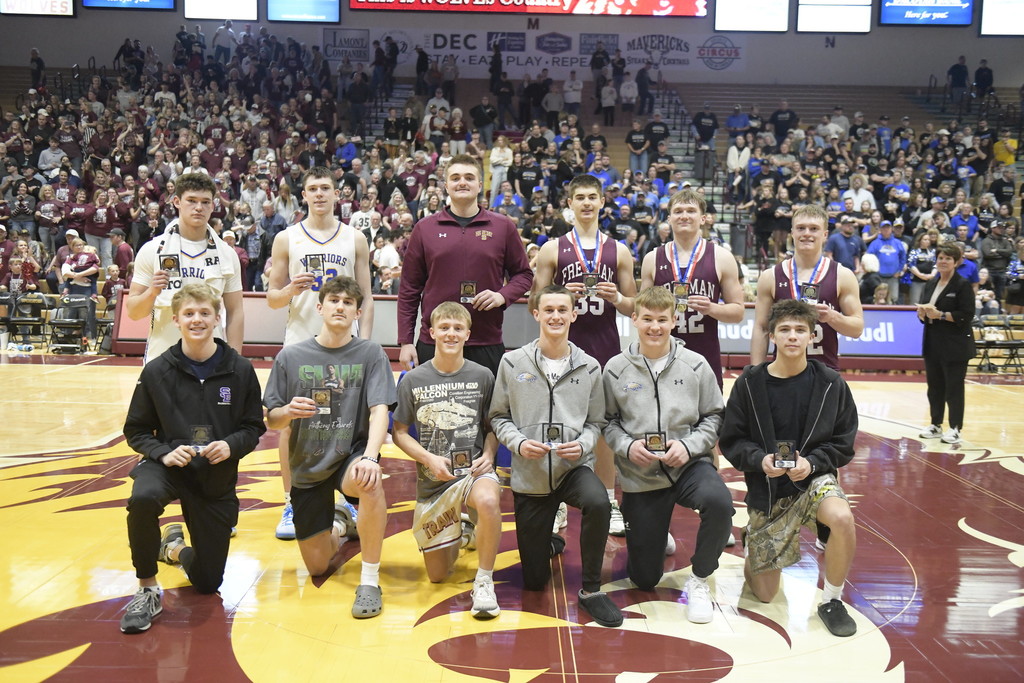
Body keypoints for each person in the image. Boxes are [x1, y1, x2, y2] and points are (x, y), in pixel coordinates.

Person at [120, 283, 266, 634]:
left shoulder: (240, 369)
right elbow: (136, 430)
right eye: (189, 313)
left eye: (204, 313)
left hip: (213, 477)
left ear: (218, 318)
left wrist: (231, 445)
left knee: (206, 582)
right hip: (168, 465)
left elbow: (252, 426)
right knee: (142, 498)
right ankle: (147, 588)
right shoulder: (157, 371)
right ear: (176, 320)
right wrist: (163, 452)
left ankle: (173, 548)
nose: (196, 320)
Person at [720, 299, 859, 638]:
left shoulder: (831, 383)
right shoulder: (750, 383)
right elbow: (732, 439)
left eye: (800, 330)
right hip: (770, 490)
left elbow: (844, 442)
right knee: (766, 595)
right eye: (784, 330)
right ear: (772, 335)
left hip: (814, 480)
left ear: (813, 337)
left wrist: (812, 463)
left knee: (841, 517)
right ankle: (754, 539)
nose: (793, 337)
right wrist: (759, 461)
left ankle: (833, 600)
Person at [489, 284, 623, 628]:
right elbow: (498, 417)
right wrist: (517, 443)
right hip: (530, 473)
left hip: (573, 467)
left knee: (598, 502)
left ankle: (592, 590)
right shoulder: (512, 361)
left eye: (563, 310)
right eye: (548, 310)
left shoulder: (590, 366)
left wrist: (584, 444)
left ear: (573, 315)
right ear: (536, 314)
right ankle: (549, 543)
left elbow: (596, 422)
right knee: (534, 579)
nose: (556, 316)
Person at [263, 276, 397, 618]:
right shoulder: (290, 357)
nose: (340, 307)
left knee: (369, 479)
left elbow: (380, 408)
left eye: (348, 303)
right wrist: (287, 412)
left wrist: (370, 455)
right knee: (319, 566)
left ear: (357, 312)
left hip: (349, 455)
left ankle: (369, 580)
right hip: (308, 463)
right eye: (334, 301)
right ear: (320, 308)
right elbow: (272, 420)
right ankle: (340, 524)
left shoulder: (370, 353)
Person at [603, 286, 732, 624]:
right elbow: (606, 422)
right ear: (634, 319)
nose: (655, 327)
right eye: (647, 319)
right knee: (644, 579)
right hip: (640, 474)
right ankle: (658, 533)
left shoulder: (696, 364)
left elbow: (715, 415)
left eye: (662, 319)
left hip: (689, 465)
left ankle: (700, 579)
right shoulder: (615, 369)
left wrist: (688, 446)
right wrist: (628, 446)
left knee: (720, 503)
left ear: (675, 320)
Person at [266, 167, 375, 541]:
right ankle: (292, 500)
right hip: (300, 342)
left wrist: (369, 342)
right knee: (295, 422)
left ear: (336, 193)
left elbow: (367, 295)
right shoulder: (286, 238)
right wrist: (290, 291)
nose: (319, 194)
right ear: (304, 195)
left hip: (348, 345)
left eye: (326, 188)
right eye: (312, 189)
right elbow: (271, 298)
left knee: (352, 422)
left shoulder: (354, 237)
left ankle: (352, 498)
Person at [533, 174, 639, 537]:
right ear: (570, 203)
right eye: (580, 197)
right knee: (560, 425)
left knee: (606, 432)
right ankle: (557, 501)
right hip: (561, 351)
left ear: (602, 202)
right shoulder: (552, 248)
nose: (587, 203)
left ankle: (609, 500)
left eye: (593, 197)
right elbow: (535, 301)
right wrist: (562, 297)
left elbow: (633, 306)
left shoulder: (619, 250)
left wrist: (616, 298)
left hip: (606, 350)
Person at [392, 302, 503, 619]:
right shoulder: (413, 380)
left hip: (473, 473)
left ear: (468, 334)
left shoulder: (483, 376)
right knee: (438, 575)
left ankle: (484, 581)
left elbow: (493, 427)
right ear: (431, 332)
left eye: (457, 328)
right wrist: (427, 459)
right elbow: (399, 432)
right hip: (435, 483)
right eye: (444, 328)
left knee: (488, 499)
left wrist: (489, 454)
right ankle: (463, 529)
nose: (451, 333)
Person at [398, 155, 533, 376]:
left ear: (480, 185)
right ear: (446, 185)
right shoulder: (424, 228)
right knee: (432, 412)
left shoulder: (503, 227)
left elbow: (524, 275)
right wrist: (405, 341)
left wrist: (502, 296)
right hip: (435, 342)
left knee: (487, 411)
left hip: (486, 341)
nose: (462, 182)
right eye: (456, 177)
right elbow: (409, 289)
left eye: (469, 178)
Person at [126, 173, 243, 364]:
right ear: (177, 202)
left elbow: (235, 311)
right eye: (191, 200)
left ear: (213, 206)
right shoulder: (152, 250)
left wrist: (236, 361)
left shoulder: (227, 255)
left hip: (212, 361)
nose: (199, 207)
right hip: (162, 360)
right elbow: (133, 312)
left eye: (205, 202)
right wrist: (152, 292)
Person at [640, 188, 745, 389]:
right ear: (669, 218)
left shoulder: (722, 257)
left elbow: (738, 312)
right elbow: (641, 312)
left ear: (703, 218)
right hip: (660, 357)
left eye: (691, 211)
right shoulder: (652, 258)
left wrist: (711, 308)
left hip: (705, 358)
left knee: (707, 419)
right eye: (678, 211)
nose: (684, 216)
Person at [752, 204, 865, 371]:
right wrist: (755, 372)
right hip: (780, 375)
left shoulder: (843, 275)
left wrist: (832, 317)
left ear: (825, 234)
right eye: (801, 228)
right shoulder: (771, 276)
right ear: (792, 232)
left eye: (814, 229)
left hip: (825, 374)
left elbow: (857, 329)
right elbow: (761, 328)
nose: (806, 233)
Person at [916, 243, 976, 445]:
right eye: (940, 257)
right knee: (934, 387)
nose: (943, 261)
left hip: (955, 345)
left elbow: (967, 315)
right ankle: (935, 424)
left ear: (956, 262)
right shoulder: (931, 283)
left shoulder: (962, 285)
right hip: (933, 343)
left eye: (948, 258)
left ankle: (955, 427)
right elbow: (927, 312)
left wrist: (940, 315)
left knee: (954, 388)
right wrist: (922, 314)